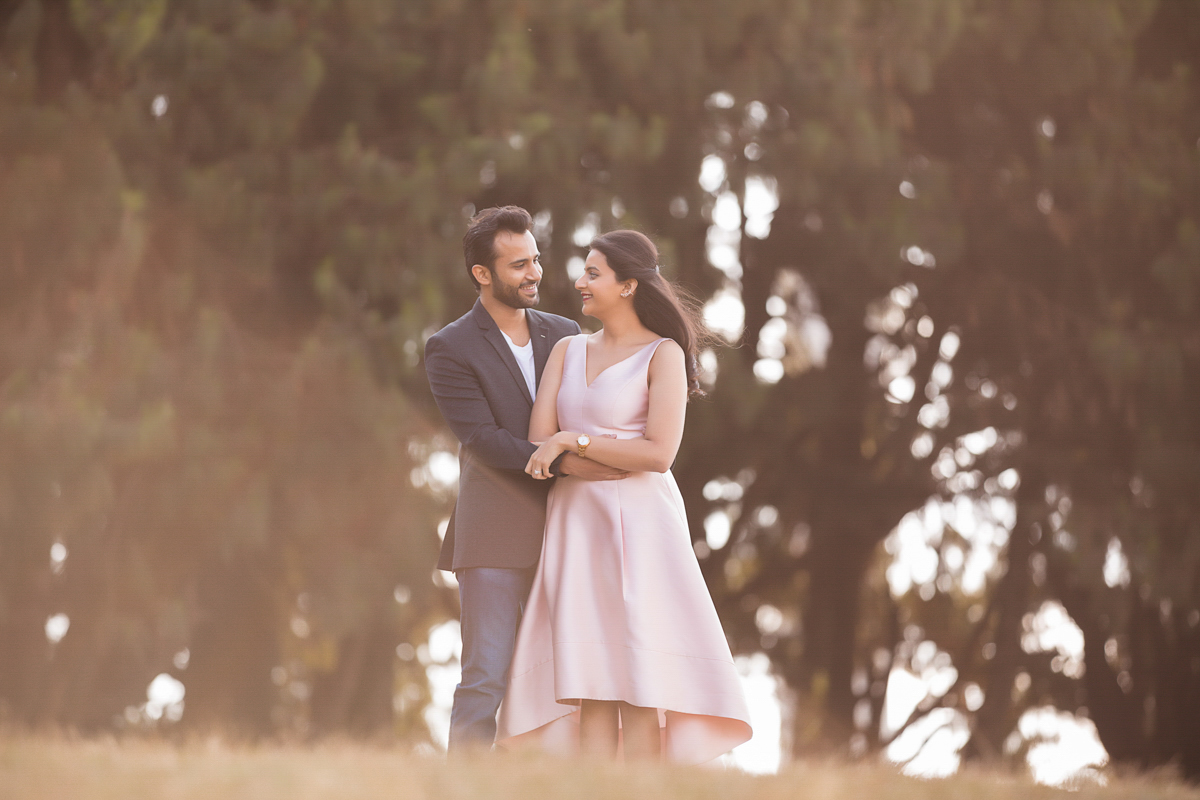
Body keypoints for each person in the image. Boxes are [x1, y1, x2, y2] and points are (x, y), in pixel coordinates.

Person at [495, 230, 753, 763]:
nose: (578, 282)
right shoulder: (567, 350)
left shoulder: (665, 355)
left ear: (629, 285)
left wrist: (577, 441)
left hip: (641, 529)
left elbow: (659, 455)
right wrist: (588, 455)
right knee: (589, 683)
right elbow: (539, 445)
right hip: (575, 526)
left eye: (594, 273)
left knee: (639, 683)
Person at [424, 206, 630, 753]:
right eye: (518, 265)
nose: (534, 272)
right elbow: (483, 440)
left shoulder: (566, 333)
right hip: (492, 536)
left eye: (535, 259)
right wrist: (564, 460)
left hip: (571, 527)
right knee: (486, 676)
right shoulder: (450, 347)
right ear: (482, 274)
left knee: (574, 676)